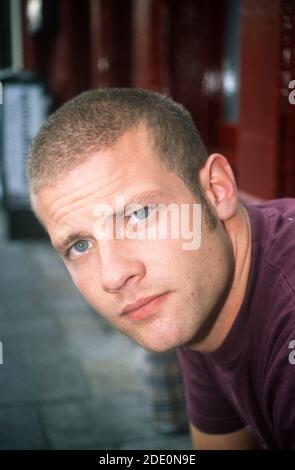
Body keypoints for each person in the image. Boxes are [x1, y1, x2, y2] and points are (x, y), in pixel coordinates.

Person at [26, 88, 295, 449]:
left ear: (217, 190)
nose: (113, 275)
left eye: (139, 214)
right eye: (80, 245)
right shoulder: (199, 292)